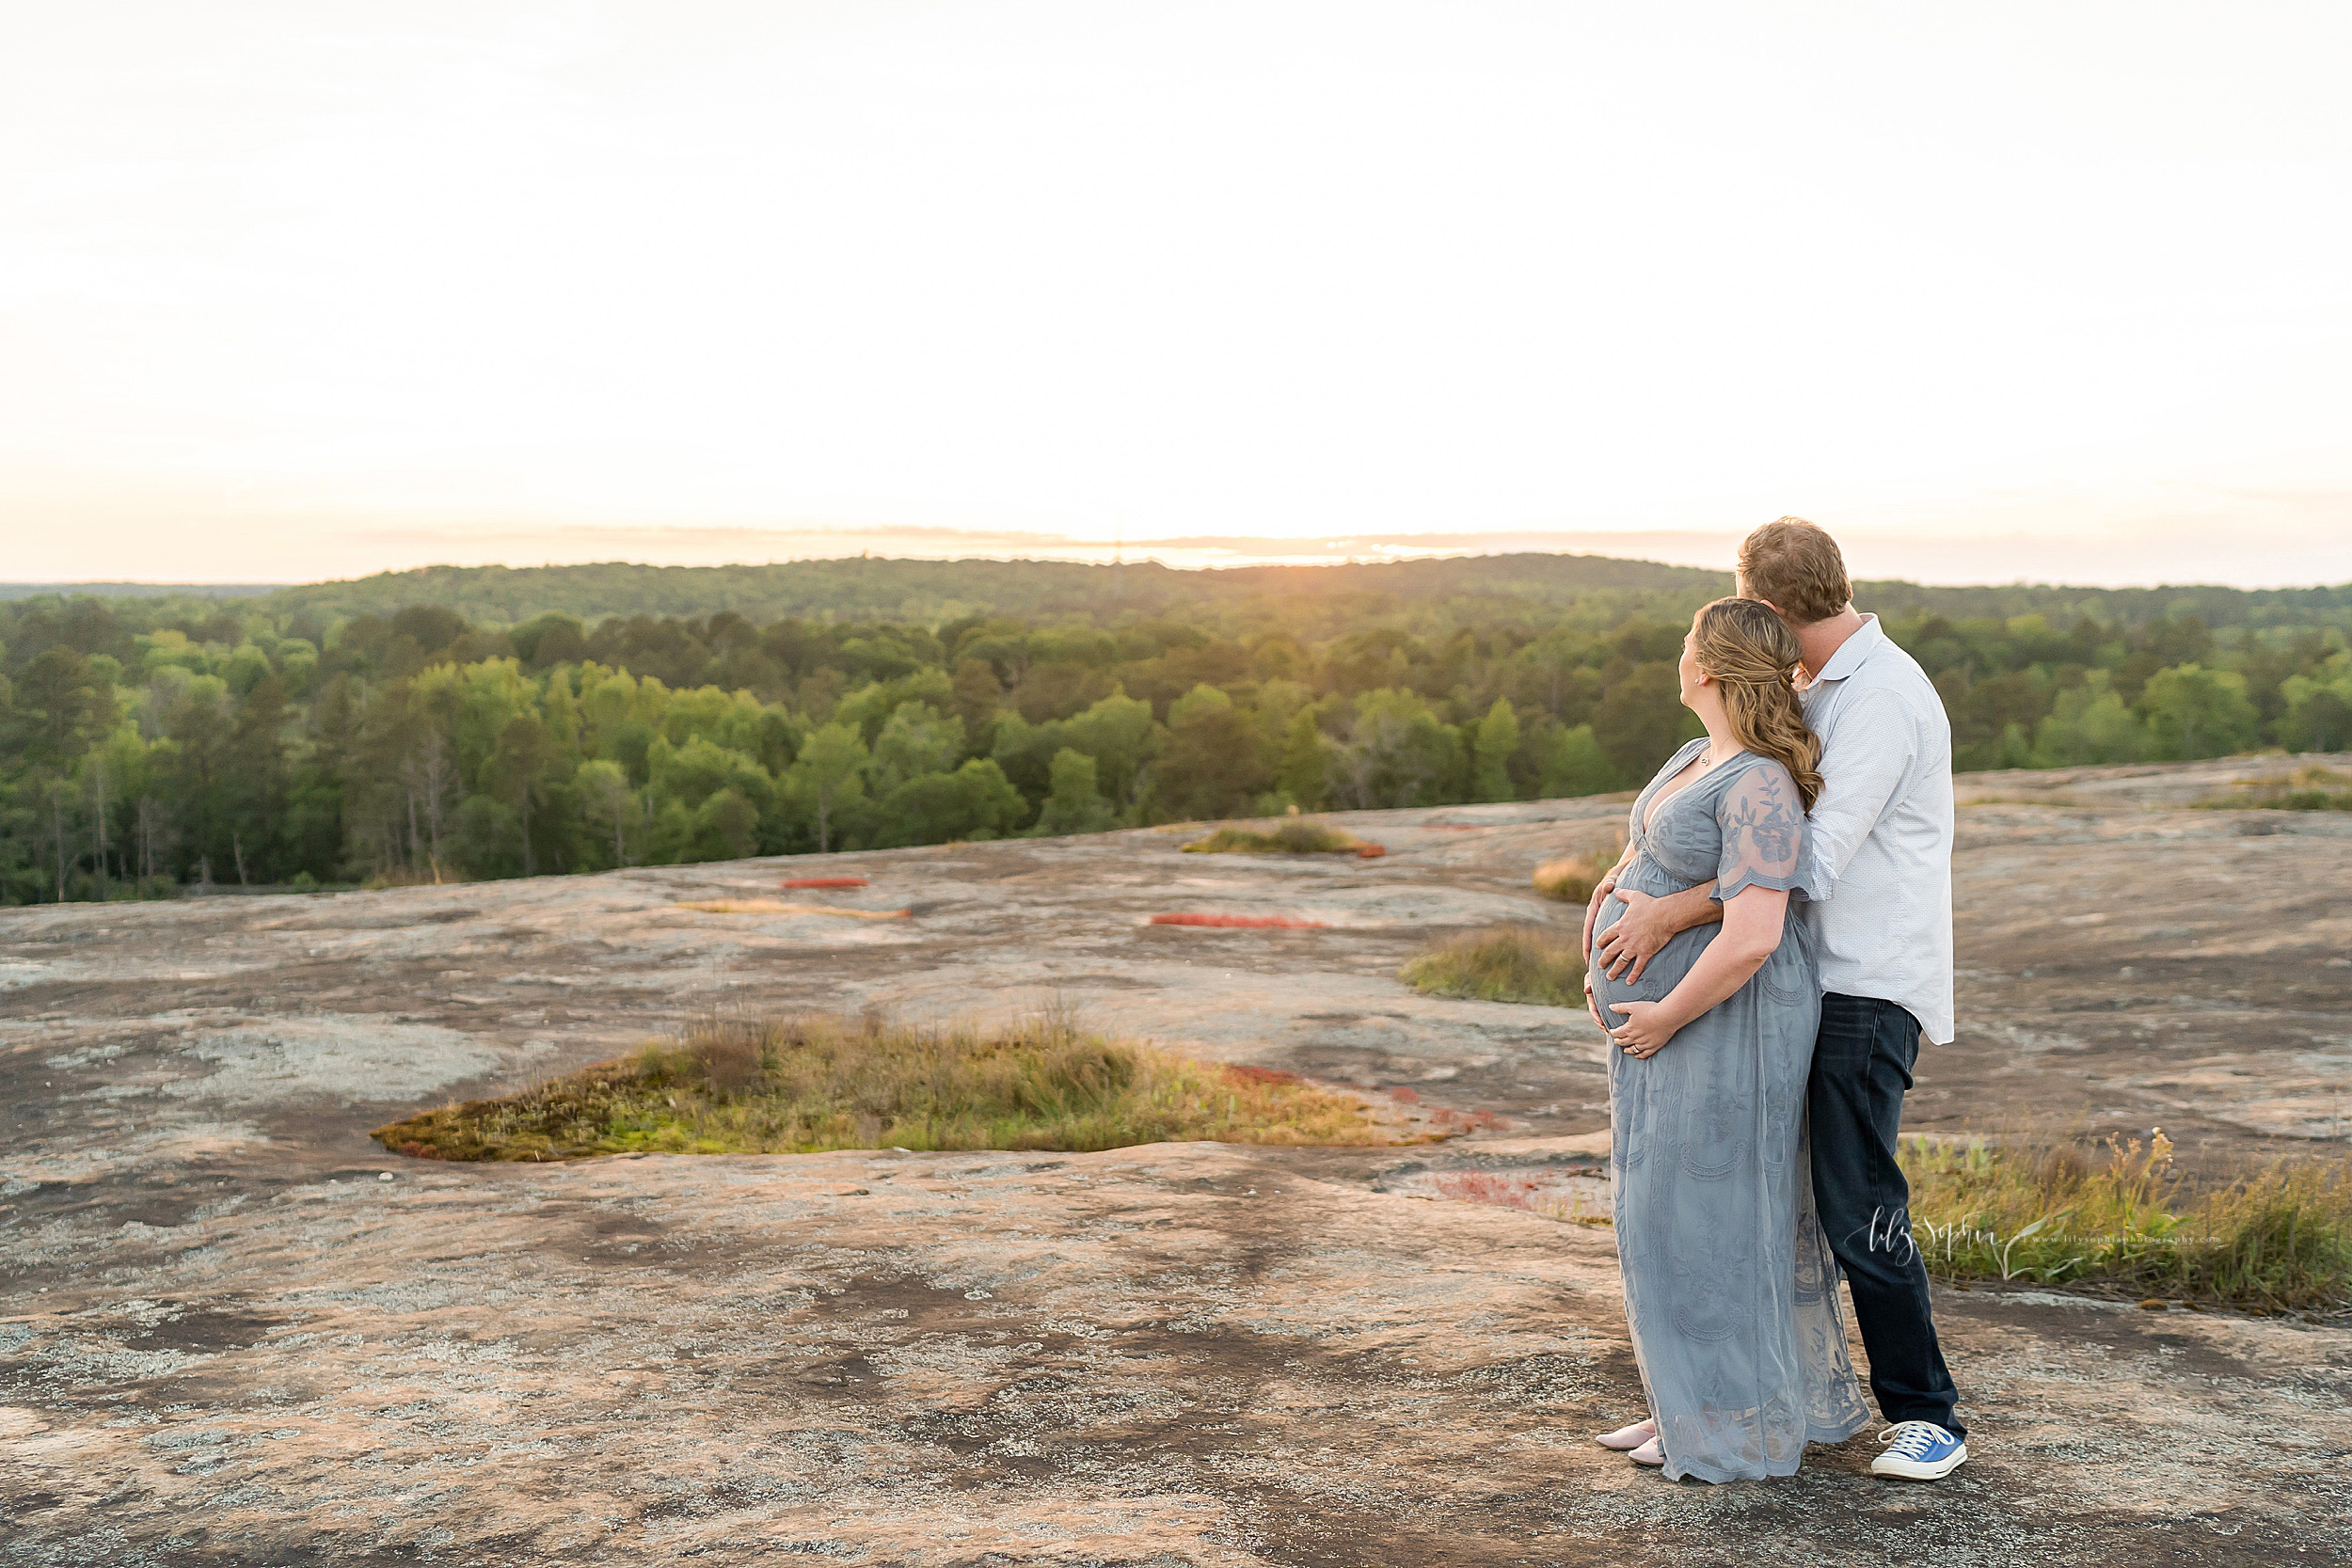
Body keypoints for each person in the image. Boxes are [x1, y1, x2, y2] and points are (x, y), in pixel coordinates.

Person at [1591, 517, 1968, 1482]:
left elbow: (1807, 858)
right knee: (1760, 1202)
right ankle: (1731, 1399)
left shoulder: (1881, 697)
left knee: (1852, 1202)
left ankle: (1929, 1413)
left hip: (1862, 981)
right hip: (1792, 986)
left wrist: (1671, 913)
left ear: (1760, 606)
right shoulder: (1807, 691)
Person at [1578, 594, 1871, 1483]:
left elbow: (1752, 933)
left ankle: (1723, 1418)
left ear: (1707, 668)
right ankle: (1687, 1396)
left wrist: (1665, 1012)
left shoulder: (1760, 783)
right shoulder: (1697, 756)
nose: (1677, 654)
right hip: (1671, 1028)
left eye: (1684, 642)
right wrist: (1602, 920)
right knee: (1661, 1211)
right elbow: (1645, 857)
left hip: (1726, 1025)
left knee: (1715, 1216)